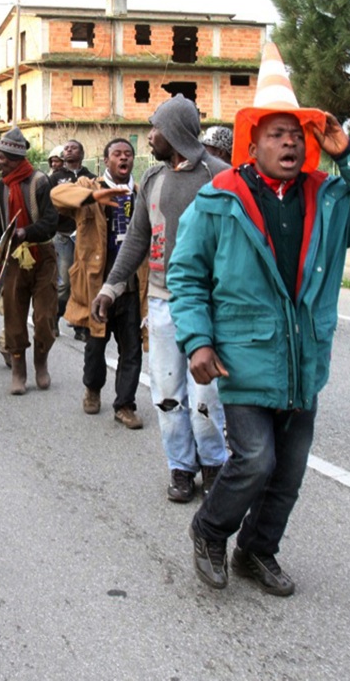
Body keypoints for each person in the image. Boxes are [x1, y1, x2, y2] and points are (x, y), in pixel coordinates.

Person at [168, 45, 350, 596]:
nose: (291, 143)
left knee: (289, 475)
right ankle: (210, 530)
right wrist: (197, 340)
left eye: (299, 134)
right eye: (278, 133)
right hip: (242, 357)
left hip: (304, 358)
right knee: (255, 459)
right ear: (253, 143)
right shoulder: (220, 197)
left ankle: (258, 549)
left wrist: (349, 152)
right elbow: (186, 275)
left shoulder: (329, 196)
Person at [93, 96, 230, 502]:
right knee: (167, 395)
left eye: (155, 128)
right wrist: (110, 288)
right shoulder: (151, 179)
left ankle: (214, 465)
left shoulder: (220, 176)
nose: (149, 136)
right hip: (161, 303)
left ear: (173, 132)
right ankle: (181, 468)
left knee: (206, 395)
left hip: (211, 306)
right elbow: (137, 239)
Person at [55, 138, 147, 430]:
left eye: (129, 154)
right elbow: (57, 195)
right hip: (97, 286)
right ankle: (92, 389)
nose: (124, 158)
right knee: (96, 346)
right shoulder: (87, 186)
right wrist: (93, 198)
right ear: (106, 161)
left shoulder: (141, 192)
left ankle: (125, 405)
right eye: (118, 154)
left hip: (131, 286)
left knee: (131, 349)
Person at [0, 127, 60, 395]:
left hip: (43, 256)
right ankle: (18, 370)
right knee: (13, 317)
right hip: (13, 258)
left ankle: (41, 362)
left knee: (45, 317)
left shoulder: (40, 181)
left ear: (14, 157)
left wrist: (26, 232)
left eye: (2, 157)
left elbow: (52, 222)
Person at [50, 139, 96, 340]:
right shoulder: (55, 178)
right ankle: (54, 319)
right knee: (64, 283)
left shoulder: (91, 178)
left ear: (82, 153)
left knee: (84, 282)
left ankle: (80, 325)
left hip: (85, 236)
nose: (68, 150)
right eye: (66, 148)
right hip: (62, 236)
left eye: (73, 147)